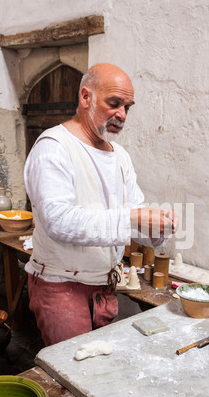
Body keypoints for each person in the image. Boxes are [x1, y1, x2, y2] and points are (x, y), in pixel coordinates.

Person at [24, 63, 178, 346]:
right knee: (74, 372)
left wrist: (158, 228)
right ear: (86, 98)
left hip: (105, 286)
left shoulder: (120, 156)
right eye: (114, 103)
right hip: (61, 287)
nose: (121, 114)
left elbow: (133, 216)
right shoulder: (54, 147)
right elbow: (58, 221)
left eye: (127, 107)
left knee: (96, 368)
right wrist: (135, 217)